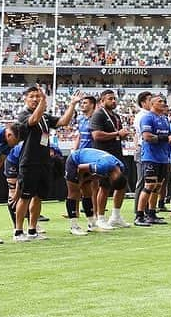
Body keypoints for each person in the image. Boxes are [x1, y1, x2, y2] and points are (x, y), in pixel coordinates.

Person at [13, 86, 82, 242]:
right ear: (25, 98)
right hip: (29, 161)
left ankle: (32, 229)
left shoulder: (44, 116)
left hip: (44, 162)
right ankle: (18, 231)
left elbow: (63, 121)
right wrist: (43, 102)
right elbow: (32, 121)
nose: (35, 99)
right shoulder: (24, 114)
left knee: (38, 197)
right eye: (32, 96)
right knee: (24, 196)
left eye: (38, 96)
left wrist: (72, 105)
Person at [90, 89, 131, 229]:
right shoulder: (98, 115)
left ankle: (116, 216)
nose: (113, 101)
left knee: (121, 183)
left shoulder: (116, 116)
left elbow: (116, 135)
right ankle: (100, 217)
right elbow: (96, 135)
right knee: (104, 186)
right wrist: (117, 133)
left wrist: (121, 135)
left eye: (114, 98)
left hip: (117, 154)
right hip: (102, 155)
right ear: (102, 101)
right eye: (110, 98)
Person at [64, 148, 127, 236]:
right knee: (74, 193)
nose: (108, 179)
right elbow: (80, 168)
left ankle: (92, 224)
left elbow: (98, 175)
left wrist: (87, 179)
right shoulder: (103, 166)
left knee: (88, 193)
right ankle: (74, 226)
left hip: (87, 163)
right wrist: (80, 181)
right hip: (75, 161)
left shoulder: (120, 167)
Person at [135, 94, 171, 227]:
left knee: (157, 187)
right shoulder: (147, 117)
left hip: (163, 158)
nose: (163, 103)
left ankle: (151, 213)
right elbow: (147, 137)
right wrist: (166, 138)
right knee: (149, 186)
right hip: (150, 157)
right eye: (160, 101)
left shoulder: (164, 118)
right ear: (152, 104)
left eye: (164, 101)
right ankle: (139, 215)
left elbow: (168, 137)